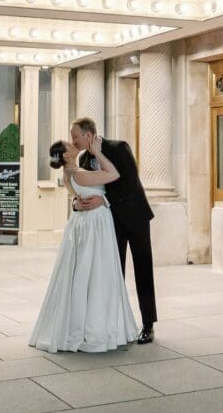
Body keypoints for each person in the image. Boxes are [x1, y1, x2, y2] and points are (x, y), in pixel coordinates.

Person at [29, 134, 138, 353]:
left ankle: (85, 323)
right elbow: (114, 174)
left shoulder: (70, 172)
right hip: (94, 226)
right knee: (95, 273)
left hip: (87, 224)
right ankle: (93, 328)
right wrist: (97, 151)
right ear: (65, 155)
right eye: (69, 144)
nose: (73, 143)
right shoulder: (78, 173)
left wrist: (77, 203)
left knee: (86, 273)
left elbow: (79, 195)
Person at [71, 116, 157, 344]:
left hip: (136, 218)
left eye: (76, 136)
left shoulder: (118, 147)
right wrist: (76, 203)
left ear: (88, 135)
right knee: (112, 273)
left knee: (143, 271)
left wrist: (105, 200)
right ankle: (116, 325)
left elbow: (130, 181)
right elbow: (83, 188)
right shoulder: (83, 159)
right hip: (110, 224)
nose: (73, 141)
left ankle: (148, 325)